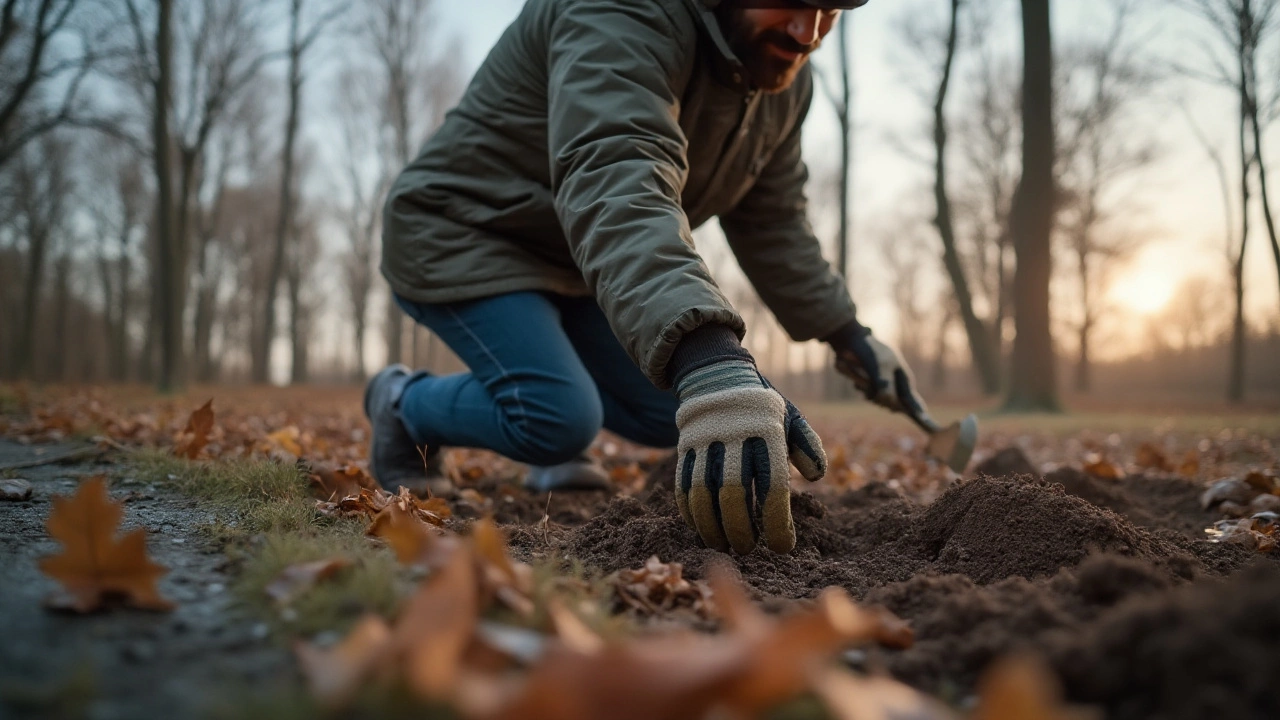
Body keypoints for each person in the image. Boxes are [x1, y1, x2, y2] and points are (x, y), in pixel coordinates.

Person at [366, 0, 926, 556]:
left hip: (578, 261)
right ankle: (401, 405)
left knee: (675, 415)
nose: (808, 32)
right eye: (791, 2)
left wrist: (849, 334)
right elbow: (617, 176)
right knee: (559, 418)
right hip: (466, 231)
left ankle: (555, 407)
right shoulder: (619, 12)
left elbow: (773, 220)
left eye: (830, 11)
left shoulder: (781, 83)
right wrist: (708, 354)